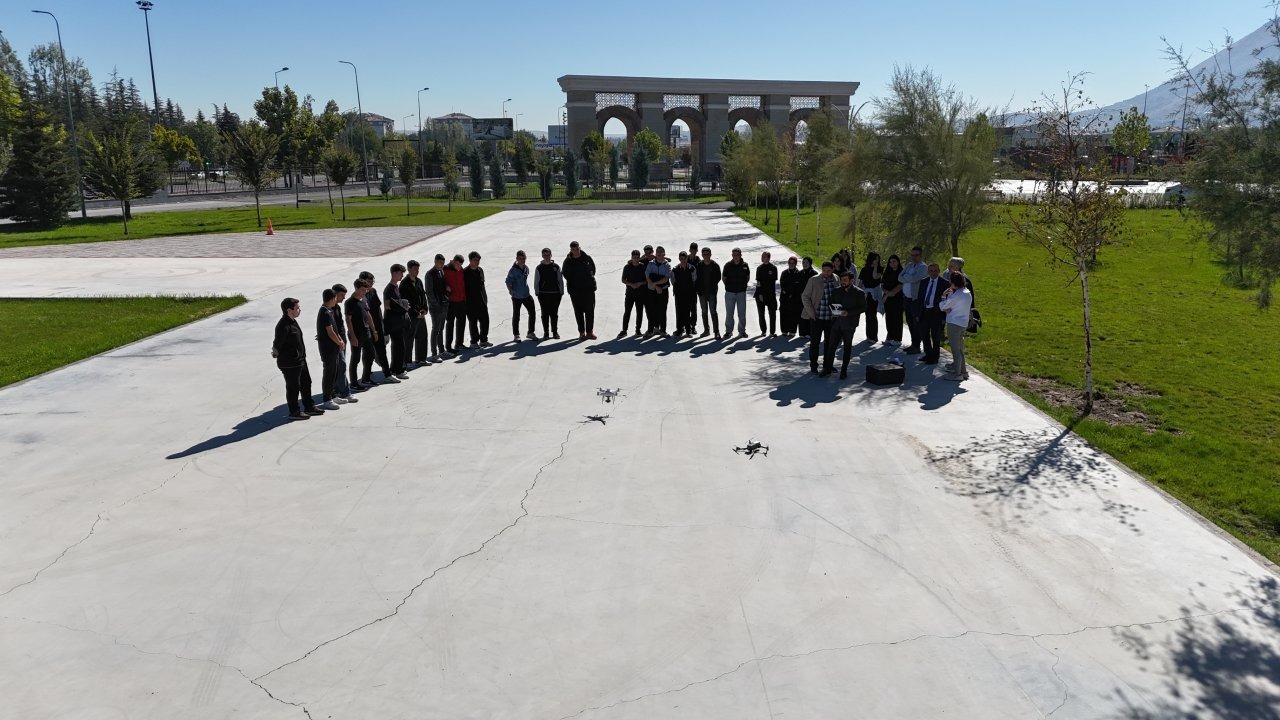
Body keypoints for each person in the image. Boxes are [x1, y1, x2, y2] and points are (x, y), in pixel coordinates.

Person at [273, 297, 323, 421]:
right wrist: (276, 353)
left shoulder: (293, 321)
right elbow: (277, 344)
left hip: (300, 360)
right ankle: (294, 412)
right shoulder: (283, 325)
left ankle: (309, 407)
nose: (300, 309)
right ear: (289, 310)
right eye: (297, 308)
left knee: (306, 383)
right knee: (293, 387)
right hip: (290, 363)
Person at [358, 270, 397, 384]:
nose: (371, 284)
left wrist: (382, 325)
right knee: (368, 354)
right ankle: (366, 377)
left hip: (378, 327)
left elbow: (378, 309)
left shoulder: (373, 292)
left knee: (382, 351)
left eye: (372, 281)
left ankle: (387, 374)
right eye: (369, 282)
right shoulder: (360, 296)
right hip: (367, 330)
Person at [801, 261, 839, 376]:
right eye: (824, 270)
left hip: (831, 318)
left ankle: (827, 365)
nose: (825, 273)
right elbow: (805, 296)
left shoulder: (836, 279)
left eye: (828, 271)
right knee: (815, 343)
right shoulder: (814, 280)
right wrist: (811, 313)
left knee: (829, 343)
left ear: (832, 270)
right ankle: (813, 365)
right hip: (817, 317)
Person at [829, 271, 869, 379]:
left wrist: (849, 313)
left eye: (845, 280)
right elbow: (831, 302)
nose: (843, 282)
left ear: (851, 280)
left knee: (847, 347)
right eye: (842, 280)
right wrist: (833, 309)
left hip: (849, 325)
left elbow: (863, 308)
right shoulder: (837, 291)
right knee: (831, 346)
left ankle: (844, 370)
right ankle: (827, 368)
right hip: (836, 323)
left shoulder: (859, 293)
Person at [314, 288, 346, 410]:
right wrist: (339, 342)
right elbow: (330, 331)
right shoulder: (325, 312)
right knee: (329, 373)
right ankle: (327, 400)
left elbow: (334, 329)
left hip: (334, 348)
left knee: (335, 372)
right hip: (328, 349)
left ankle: (333, 395)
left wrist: (340, 340)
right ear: (332, 298)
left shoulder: (329, 310)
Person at [939, 271, 973, 382]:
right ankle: (964, 371)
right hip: (963, 323)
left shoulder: (956, 295)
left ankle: (957, 374)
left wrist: (944, 296)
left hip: (954, 324)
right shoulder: (967, 292)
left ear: (953, 283)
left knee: (955, 350)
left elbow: (943, 307)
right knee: (960, 349)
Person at [345, 279, 377, 391]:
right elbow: (348, 320)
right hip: (356, 335)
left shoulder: (363, 300)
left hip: (367, 333)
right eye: (363, 290)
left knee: (371, 355)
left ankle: (366, 378)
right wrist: (353, 336)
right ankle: (353, 384)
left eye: (366, 290)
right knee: (355, 359)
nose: (365, 292)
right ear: (356, 289)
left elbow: (368, 315)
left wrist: (374, 331)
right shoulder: (349, 302)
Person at [562, 240, 597, 339]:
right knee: (578, 312)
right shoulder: (568, 260)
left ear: (579, 248)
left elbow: (593, 270)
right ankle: (581, 332)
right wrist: (573, 280)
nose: (575, 251)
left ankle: (589, 332)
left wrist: (589, 281)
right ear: (571, 250)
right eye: (573, 249)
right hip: (575, 290)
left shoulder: (587, 258)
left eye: (577, 249)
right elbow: (564, 272)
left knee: (590, 311)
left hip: (588, 289)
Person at [383, 264, 412, 380]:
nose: (402, 275)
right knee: (398, 346)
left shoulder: (396, 287)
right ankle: (398, 370)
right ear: (394, 273)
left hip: (399, 322)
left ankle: (396, 368)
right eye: (400, 273)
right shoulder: (389, 288)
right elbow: (387, 305)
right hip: (393, 322)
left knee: (399, 346)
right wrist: (402, 306)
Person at [329, 284, 357, 400]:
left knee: (340, 366)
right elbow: (330, 328)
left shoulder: (337, 308)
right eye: (341, 295)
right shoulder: (328, 310)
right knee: (341, 366)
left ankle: (337, 390)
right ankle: (344, 392)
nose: (343, 298)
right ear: (334, 295)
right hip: (336, 342)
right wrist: (339, 341)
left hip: (341, 341)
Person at [400, 260, 430, 368]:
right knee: (409, 339)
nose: (417, 271)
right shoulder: (404, 284)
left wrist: (425, 309)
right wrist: (415, 313)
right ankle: (407, 362)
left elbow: (423, 296)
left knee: (422, 336)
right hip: (411, 316)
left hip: (421, 314)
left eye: (418, 269)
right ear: (408, 269)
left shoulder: (419, 281)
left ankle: (421, 359)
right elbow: (405, 302)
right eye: (414, 269)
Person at [899, 246, 928, 354]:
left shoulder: (923, 267)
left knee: (916, 323)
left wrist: (907, 277)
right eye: (912, 255)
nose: (914, 257)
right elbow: (899, 277)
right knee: (910, 322)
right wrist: (909, 277)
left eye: (916, 255)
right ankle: (913, 343)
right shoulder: (909, 265)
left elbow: (914, 279)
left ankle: (917, 345)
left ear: (920, 256)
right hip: (907, 298)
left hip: (915, 299)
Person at [917, 263, 947, 365]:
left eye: (935, 271)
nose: (933, 273)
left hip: (936, 312)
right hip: (924, 311)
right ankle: (928, 354)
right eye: (931, 271)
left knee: (935, 336)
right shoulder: (924, 281)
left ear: (939, 271)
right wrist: (918, 312)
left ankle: (935, 357)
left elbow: (947, 300)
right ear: (928, 272)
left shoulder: (944, 283)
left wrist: (944, 316)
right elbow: (920, 297)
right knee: (924, 334)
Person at [424, 254, 452, 361]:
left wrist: (446, 292)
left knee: (441, 329)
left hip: (444, 304)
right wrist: (437, 305)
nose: (442, 265)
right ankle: (434, 353)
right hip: (436, 307)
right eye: (440, 263)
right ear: (435, 261)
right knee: (435, 329)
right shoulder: (429, 274)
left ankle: (442, 351)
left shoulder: (441, 272)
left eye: (443, 263)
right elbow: (429, 293)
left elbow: (443, 285)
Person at [506, 250, 537, 340]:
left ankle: (530, 332)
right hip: (516, 297)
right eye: (520, 258)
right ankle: (516, 335)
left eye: (524, 258)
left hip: (526, 295)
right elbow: (508, 281)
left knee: (532, 313)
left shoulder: (526, 268)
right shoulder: (513, 270)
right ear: (517, 259)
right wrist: (510, 291)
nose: (522, 260)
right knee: (516, 315)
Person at [534, 248, 564, 339]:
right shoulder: (539, 268)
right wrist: (537, 291)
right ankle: (546, 333)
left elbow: (560, 280)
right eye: (544, 255)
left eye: (548, 255)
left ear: (551, 255)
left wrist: (561, 291)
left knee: (554, 313)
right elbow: (536, 281)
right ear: (542, 256)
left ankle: (555, 332)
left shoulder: (556, 267)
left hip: (555, 293)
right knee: (545, 314)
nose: (546, 257)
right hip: (543, 294)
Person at [464, 251, 491, 348]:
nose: (477, 262)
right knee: (473, 323)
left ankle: (483, 340)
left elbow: (482, 286)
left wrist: (485, 299)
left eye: (478, 260)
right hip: (470, 302)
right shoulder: (465, 272)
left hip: (482, 300)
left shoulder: (480, 270)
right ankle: (474, 342)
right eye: (475, 260)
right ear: (470, 260)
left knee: (485, 320)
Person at [722, 247, 750, 338]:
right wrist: (729, 286)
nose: (736, 256)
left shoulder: (745, 265)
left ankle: (742, 331)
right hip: (730, 293)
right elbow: (724, 278)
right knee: (729, 314)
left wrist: (742, 286)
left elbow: (747, 277)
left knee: (742, 314)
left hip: (741, 293)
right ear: (732, 255)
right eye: (734, 255)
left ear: (740, 255)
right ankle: (728, 331)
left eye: (737, 255)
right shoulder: (727, 265)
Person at [619, 249, 647, 338]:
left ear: (639, 258)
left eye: (637, 257)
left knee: (639, 312)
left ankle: (638, 330)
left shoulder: (643, 267)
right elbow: (623, 280)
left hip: (640, 294)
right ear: (631, 257)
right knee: (627, 311)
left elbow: (647, 280)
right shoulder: (627, 267)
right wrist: (631, 284)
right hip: (630, 294)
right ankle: (624, 330)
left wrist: (640, 283)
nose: (636, 259)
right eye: (634, 257)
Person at [696, 247, 722, 340]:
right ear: (702, 255)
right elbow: (696, 279)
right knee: (704, 312)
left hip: (712, 293)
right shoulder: (699, 265)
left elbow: (718, 277)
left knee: (713, 312)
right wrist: (698, 290)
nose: (706, 256)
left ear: (710, 254)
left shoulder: (715, 265)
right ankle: (706, 330)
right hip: (702, 293)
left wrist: (712, 286)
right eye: (704, 254)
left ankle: (716, 332)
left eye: (708, 254)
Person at [645, 246, 672, 336]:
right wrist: (656, 286)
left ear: (664, 254)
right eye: (657, 252)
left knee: (662, 310)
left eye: (661, 252)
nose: (659, 253)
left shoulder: (667, 265)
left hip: (663, 291)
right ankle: (651, 330)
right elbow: (647, 276)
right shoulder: (650, 263)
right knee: (651, 310)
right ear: (655, 254)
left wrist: (655, 283)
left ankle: (663, 330)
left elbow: (666, 278)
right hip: (652, 291)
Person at [443, 254, 468, 353]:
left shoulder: (461, 270)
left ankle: (459, 344)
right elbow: (441, 282)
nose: (458, 266)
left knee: (461, 323)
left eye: (460, 265)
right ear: (453, 261)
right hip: (451, 302)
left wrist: (464, 299)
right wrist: (445, 286)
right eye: (457, 264)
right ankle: (448, 347)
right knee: (450, 324)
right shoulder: (445, 269)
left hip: (461, 301)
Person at [671, 250, 698, 337]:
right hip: (679, 294)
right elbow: (673, 281)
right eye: (681, 258)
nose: (683, 260)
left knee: (687, 312)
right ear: (679, 259)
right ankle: (679, 330)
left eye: (684, 258)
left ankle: (688, 330)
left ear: (687, 258)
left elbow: (694, 280)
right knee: (679, 312)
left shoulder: (692, 268)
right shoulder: (675, 269)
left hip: (689, 293)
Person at [859, 252, 884, 343]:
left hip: (875, 294)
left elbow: (875, 276)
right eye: (875, 259)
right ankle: (868, 335)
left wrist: (876, 267)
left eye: (878, 259)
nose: (876, 261)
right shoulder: (864, 269)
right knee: (867, 315)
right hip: (866, 294)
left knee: (872, 315)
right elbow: (860, 282)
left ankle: (874, 337)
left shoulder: (880, 269)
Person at [880, 255, 904, 346]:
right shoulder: (887, 272)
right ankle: (890, 337)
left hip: (897, 299)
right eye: (890, 262)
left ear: (898, 262)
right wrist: (886, 292)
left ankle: (897, 339)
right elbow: (882, 285)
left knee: (897, 319)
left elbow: (899, 287)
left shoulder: (901, 273)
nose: (892, 263)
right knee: (889, 318)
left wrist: (886, 295)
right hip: (888, 299)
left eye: (894, 261)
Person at [779, 256, 805, 337]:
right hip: (784, 297)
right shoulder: (784, 273)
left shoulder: (799, 274)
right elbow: (782, 284)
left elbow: (799, 286)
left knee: (794, 314)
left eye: (793, 263)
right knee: (784, 314)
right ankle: (784, 330)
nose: (791, 264)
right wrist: (786, 292)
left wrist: (792, 294)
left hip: (795, 298)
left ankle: (792, 331)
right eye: (790, 263)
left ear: (796, 264)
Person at [754, 251, 778, 336]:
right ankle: (763, 331)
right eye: (762, 256)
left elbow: (772, 283)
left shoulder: (773, 268)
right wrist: (760, 294)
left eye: (764, 256)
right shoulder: (759, 268)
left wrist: (771, 294)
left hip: (770, 294)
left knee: (772, 314)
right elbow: (758, 282)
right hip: (760, 294)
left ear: (768, 258)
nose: (762, 258)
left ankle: (772, 332)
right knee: (761, 314)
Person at [797, 256, 817, 337]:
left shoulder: (814, 274)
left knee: (809, 314)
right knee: (801, 314)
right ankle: (802, 332)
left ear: (810, 263)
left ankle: (809, 332)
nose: (804, 264)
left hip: (810, 297)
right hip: (800, 297)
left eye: (806, 262)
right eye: (803, 262)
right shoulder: (800, 273)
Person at [686, 242, 700, 335]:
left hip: (694, 288)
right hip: (685, 287)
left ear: (697, 250)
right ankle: (684, 325)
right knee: (684, 307)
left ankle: (693, 326)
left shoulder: (699, 261)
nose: (693, 251)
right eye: (692, 249)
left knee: (693, 308)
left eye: (695, 250)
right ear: (689, 250)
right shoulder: (685, 259)